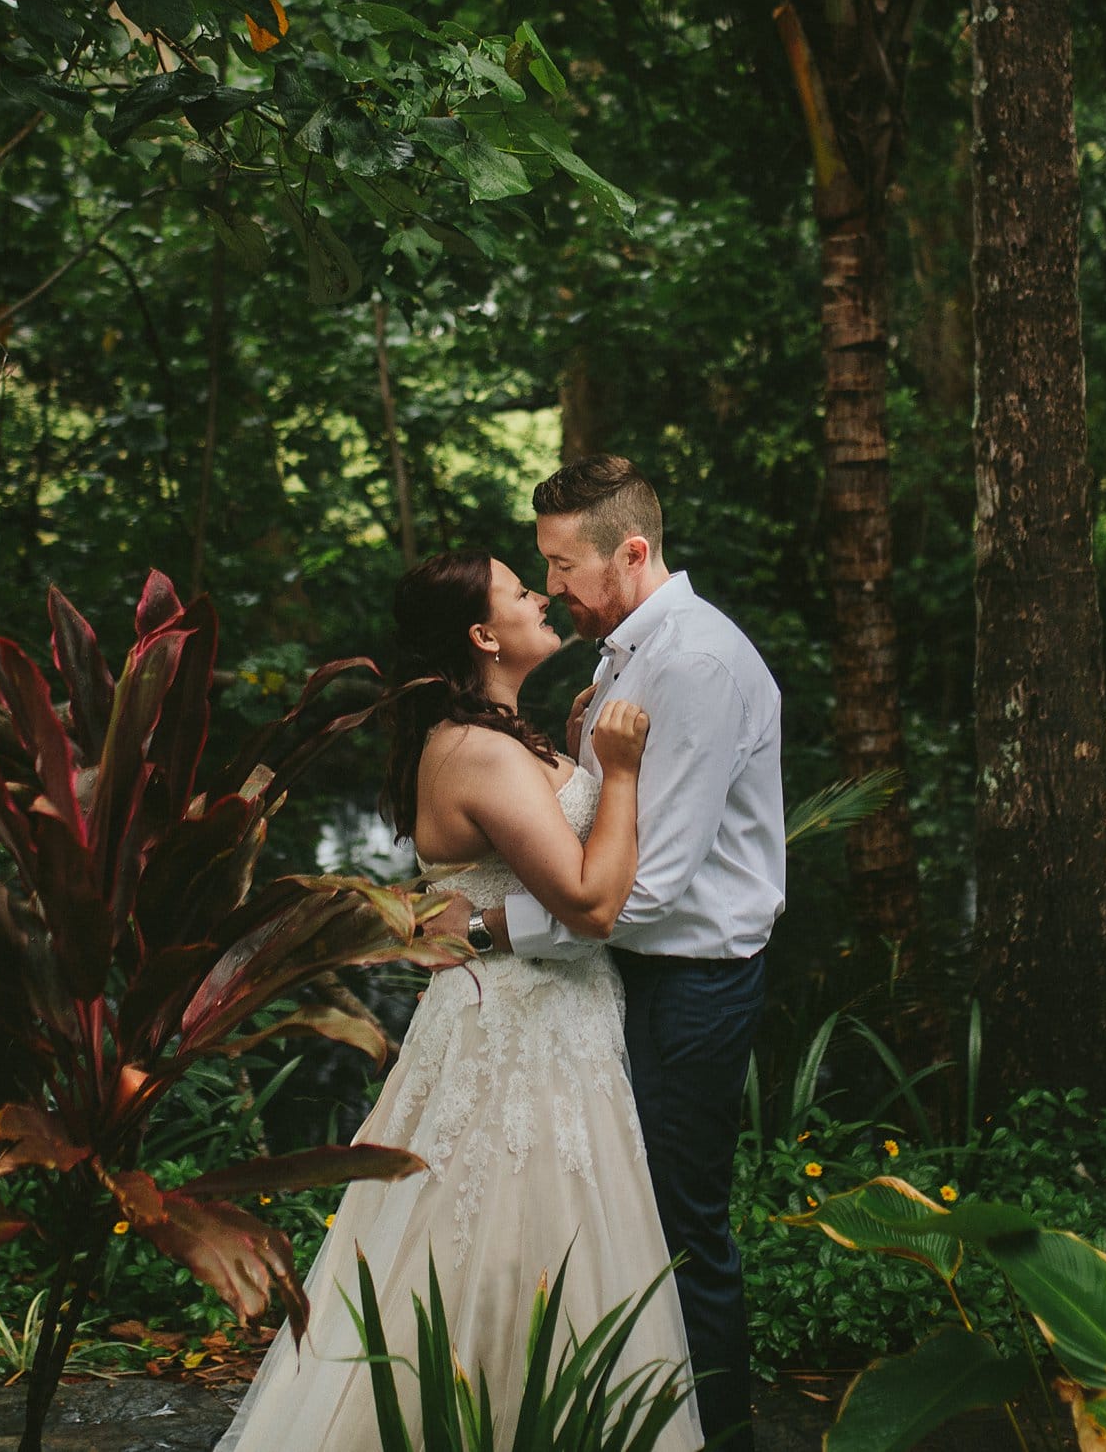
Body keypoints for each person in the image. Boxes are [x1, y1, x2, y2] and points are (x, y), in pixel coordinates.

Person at [212, 544, 706, 1452]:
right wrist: (623, 774)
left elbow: (509, 872)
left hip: (546, 1018)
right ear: (484, 633)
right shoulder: (479, 753)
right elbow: (592, 902)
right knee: (509, 1239)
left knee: (535, 1246)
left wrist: (576, 756)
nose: (541, 593)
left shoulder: (500, 738)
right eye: (522, 590)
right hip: (522, 1029)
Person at [469, 453, 784, 1451]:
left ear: (631, 551)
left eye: (563, 566)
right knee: (621, 1218)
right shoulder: (628, 650)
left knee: (680, 1225)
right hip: (627, 974)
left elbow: (647, 890)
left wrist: (494, 927)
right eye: (543, 568)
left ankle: (720, 1432)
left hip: (689, 982)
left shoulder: (690, 661)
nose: (553, 587)